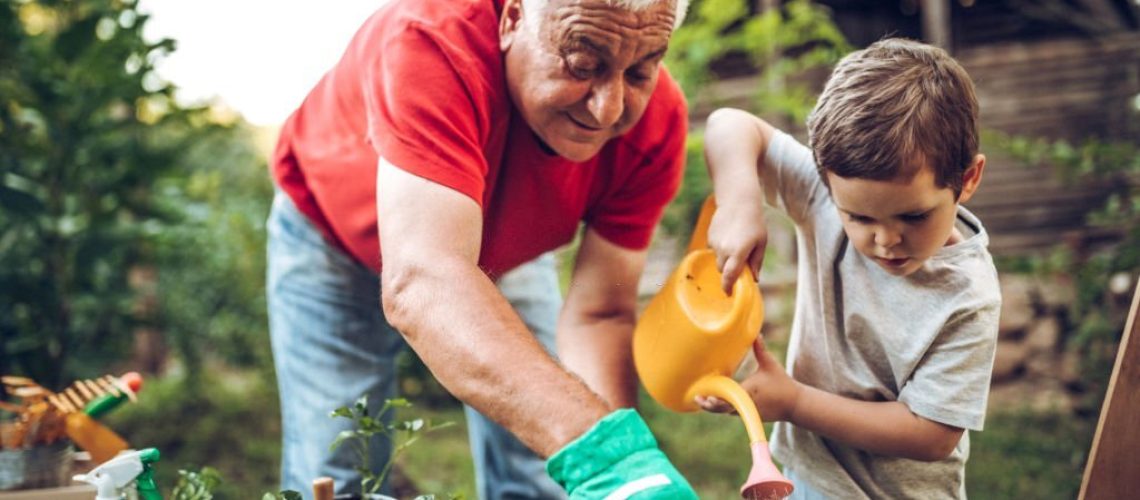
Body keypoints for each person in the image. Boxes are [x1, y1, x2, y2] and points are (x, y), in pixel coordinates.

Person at [266, 0, 698, 497]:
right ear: (513, 18)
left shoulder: (656, 124)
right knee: (339, 469)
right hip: (332, 239)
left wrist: (627, 467)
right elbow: (425, 280)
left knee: (544, 474)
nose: (610, 108)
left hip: (501, 252)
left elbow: (599, 312)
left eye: (641, 72)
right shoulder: (431, 42)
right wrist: (602, 450)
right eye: (582, 65)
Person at [696, 38, 1002, 499]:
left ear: (968, 179)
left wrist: (794, 402)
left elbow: (932, 435)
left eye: (913, 216)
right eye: (859, 218)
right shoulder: (823, 196)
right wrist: (741, 203)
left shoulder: (967, 296)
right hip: (801, 478)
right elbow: (728, 125)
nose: (885, 240)